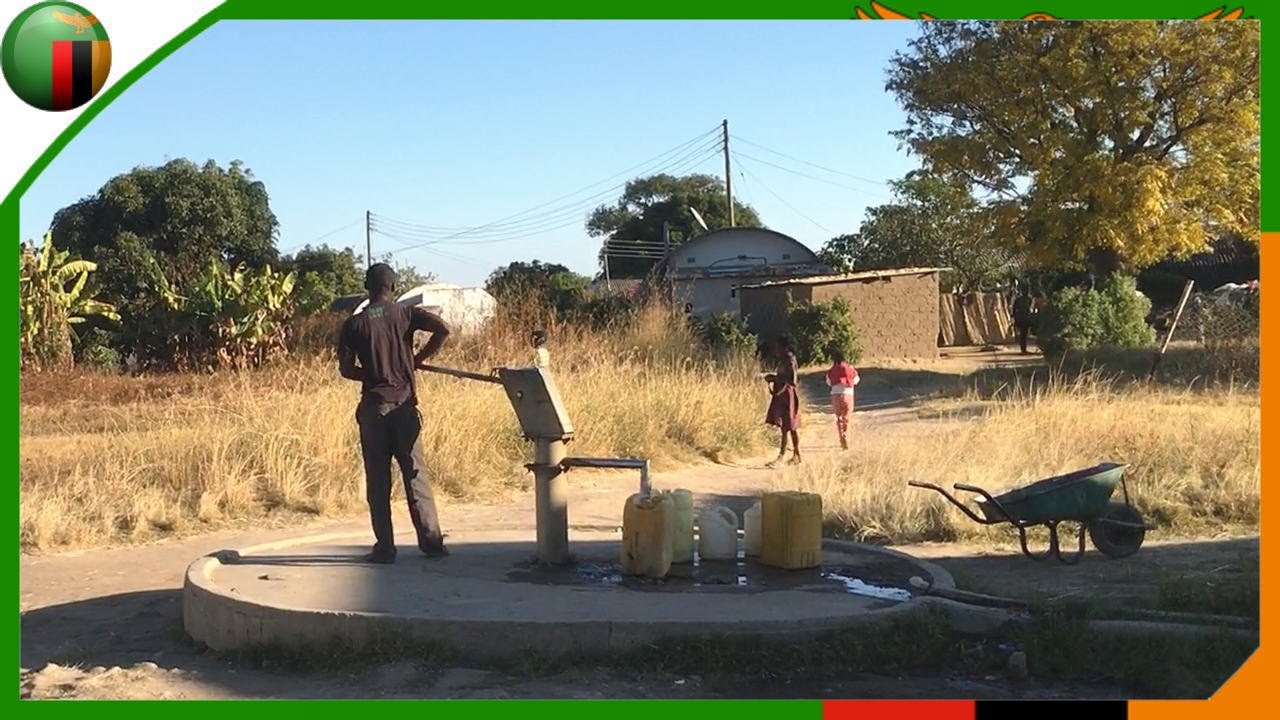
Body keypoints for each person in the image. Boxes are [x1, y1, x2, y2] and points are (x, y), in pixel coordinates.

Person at [337, 263, 452, 564]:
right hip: (403, 408)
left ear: (367, 286)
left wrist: (374, 374)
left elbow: (346, 370)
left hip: (374, 409)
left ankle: (386, 548)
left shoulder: (354, 324)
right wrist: (415, 360)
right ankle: (432, 543)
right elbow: (443, 329)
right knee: (415, 475)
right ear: (393, 286)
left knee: (378, 481)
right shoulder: (406, 314)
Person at [764, 335, 802, 467]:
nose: (776, 349)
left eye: (778, 346)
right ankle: (796, 454)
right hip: (783, 394)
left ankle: (781, 456)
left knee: (787, 426)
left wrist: (775, 379)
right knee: (790, 426)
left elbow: (792, 380)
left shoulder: (789, 360)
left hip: (787, 395)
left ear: (784, 347)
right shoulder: (784, 360)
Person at [825, 349, 860, 450]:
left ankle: (841, 438)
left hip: (835, 395)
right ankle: (846, 436)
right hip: (848, 395)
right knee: (847, 418)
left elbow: (828, 382)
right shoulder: (850, 368)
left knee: (839, 418)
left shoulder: (832, 370)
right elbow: (856, 380)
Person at [1012, 287, 1035, 355]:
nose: (1026, 292)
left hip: (1025, 318)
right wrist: (1015, 317)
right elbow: (1014, 309)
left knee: (1024, 334)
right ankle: (1023, 349)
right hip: (1022, 318)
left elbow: (1031, 308)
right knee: (1023, 334)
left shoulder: (1028, 299)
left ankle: (1023, 349)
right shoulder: (1019, 300)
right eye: (1025, 291)